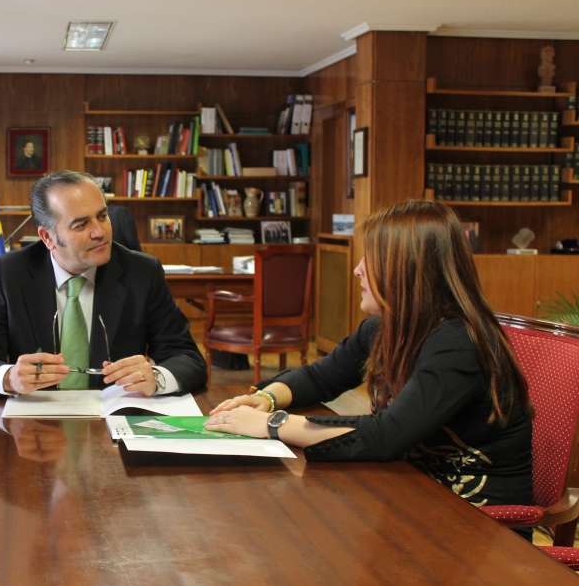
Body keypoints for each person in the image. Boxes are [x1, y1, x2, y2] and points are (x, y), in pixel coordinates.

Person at [205, 200, 533, 509]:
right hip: (413, 493)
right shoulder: (386, 326)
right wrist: (266, 399)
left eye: (371, 259)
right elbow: (319, 378)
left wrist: (271, 424)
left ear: (408, 269)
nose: (357, 270)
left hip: (478, 521)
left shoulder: (458, 343)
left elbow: (387, 435)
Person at [0, 170, 206, 396]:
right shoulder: (12, 273)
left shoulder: (142, 272)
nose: (100, 232)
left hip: (113, 416)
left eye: (103, 216)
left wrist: (156, 378)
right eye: (81, 225)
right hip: (36, 421)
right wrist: (9, 378)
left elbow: (188, 358)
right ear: (48, 237)